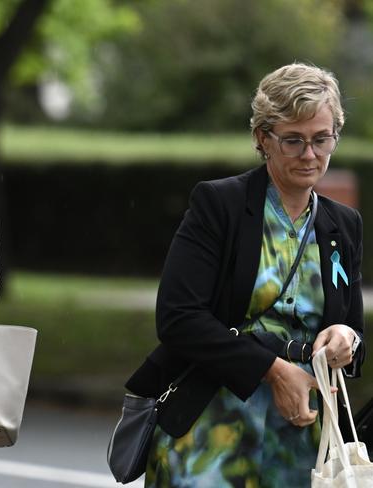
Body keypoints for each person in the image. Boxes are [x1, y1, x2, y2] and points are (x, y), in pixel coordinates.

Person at [126, 63, 365, 487]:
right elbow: (179, 318)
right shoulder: (220, 205)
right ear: (262, 138)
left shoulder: (342, 225)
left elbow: (350, 329)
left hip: (304, 441)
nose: (310, 155)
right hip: (211, 433)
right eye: (293, 140)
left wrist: (346, 337)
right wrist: (272, 370)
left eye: (321, 139)